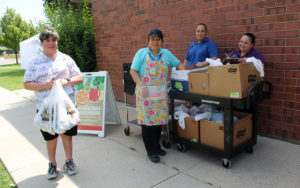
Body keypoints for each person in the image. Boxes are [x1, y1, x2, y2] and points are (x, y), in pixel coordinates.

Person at [24, 28, 83, 180]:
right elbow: (27, 84)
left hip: (66, 106)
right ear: (42, 43)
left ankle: (69, 161)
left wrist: (66, 81)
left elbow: (79, 77)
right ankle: (52, 164)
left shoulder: (66, 59)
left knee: (67, 134)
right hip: (45, 107)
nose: (51, 43)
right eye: (48, 40)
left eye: (54, 40)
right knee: (50, 136)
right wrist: (44, 85)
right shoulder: (34, 62)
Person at [130, 28, 185, 163]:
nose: (155, 42)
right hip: (145, 95)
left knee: (158, 123)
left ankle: (157, 146)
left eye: (158, 39)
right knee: (148, 124)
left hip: (160, 96)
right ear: (148, 41)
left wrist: (185, 76)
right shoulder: (141, 54)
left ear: (162, 41)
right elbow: (133, 71)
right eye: (152, 39)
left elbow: (178, 64)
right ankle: (151, 151)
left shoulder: (166, 54)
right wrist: (141, 85)